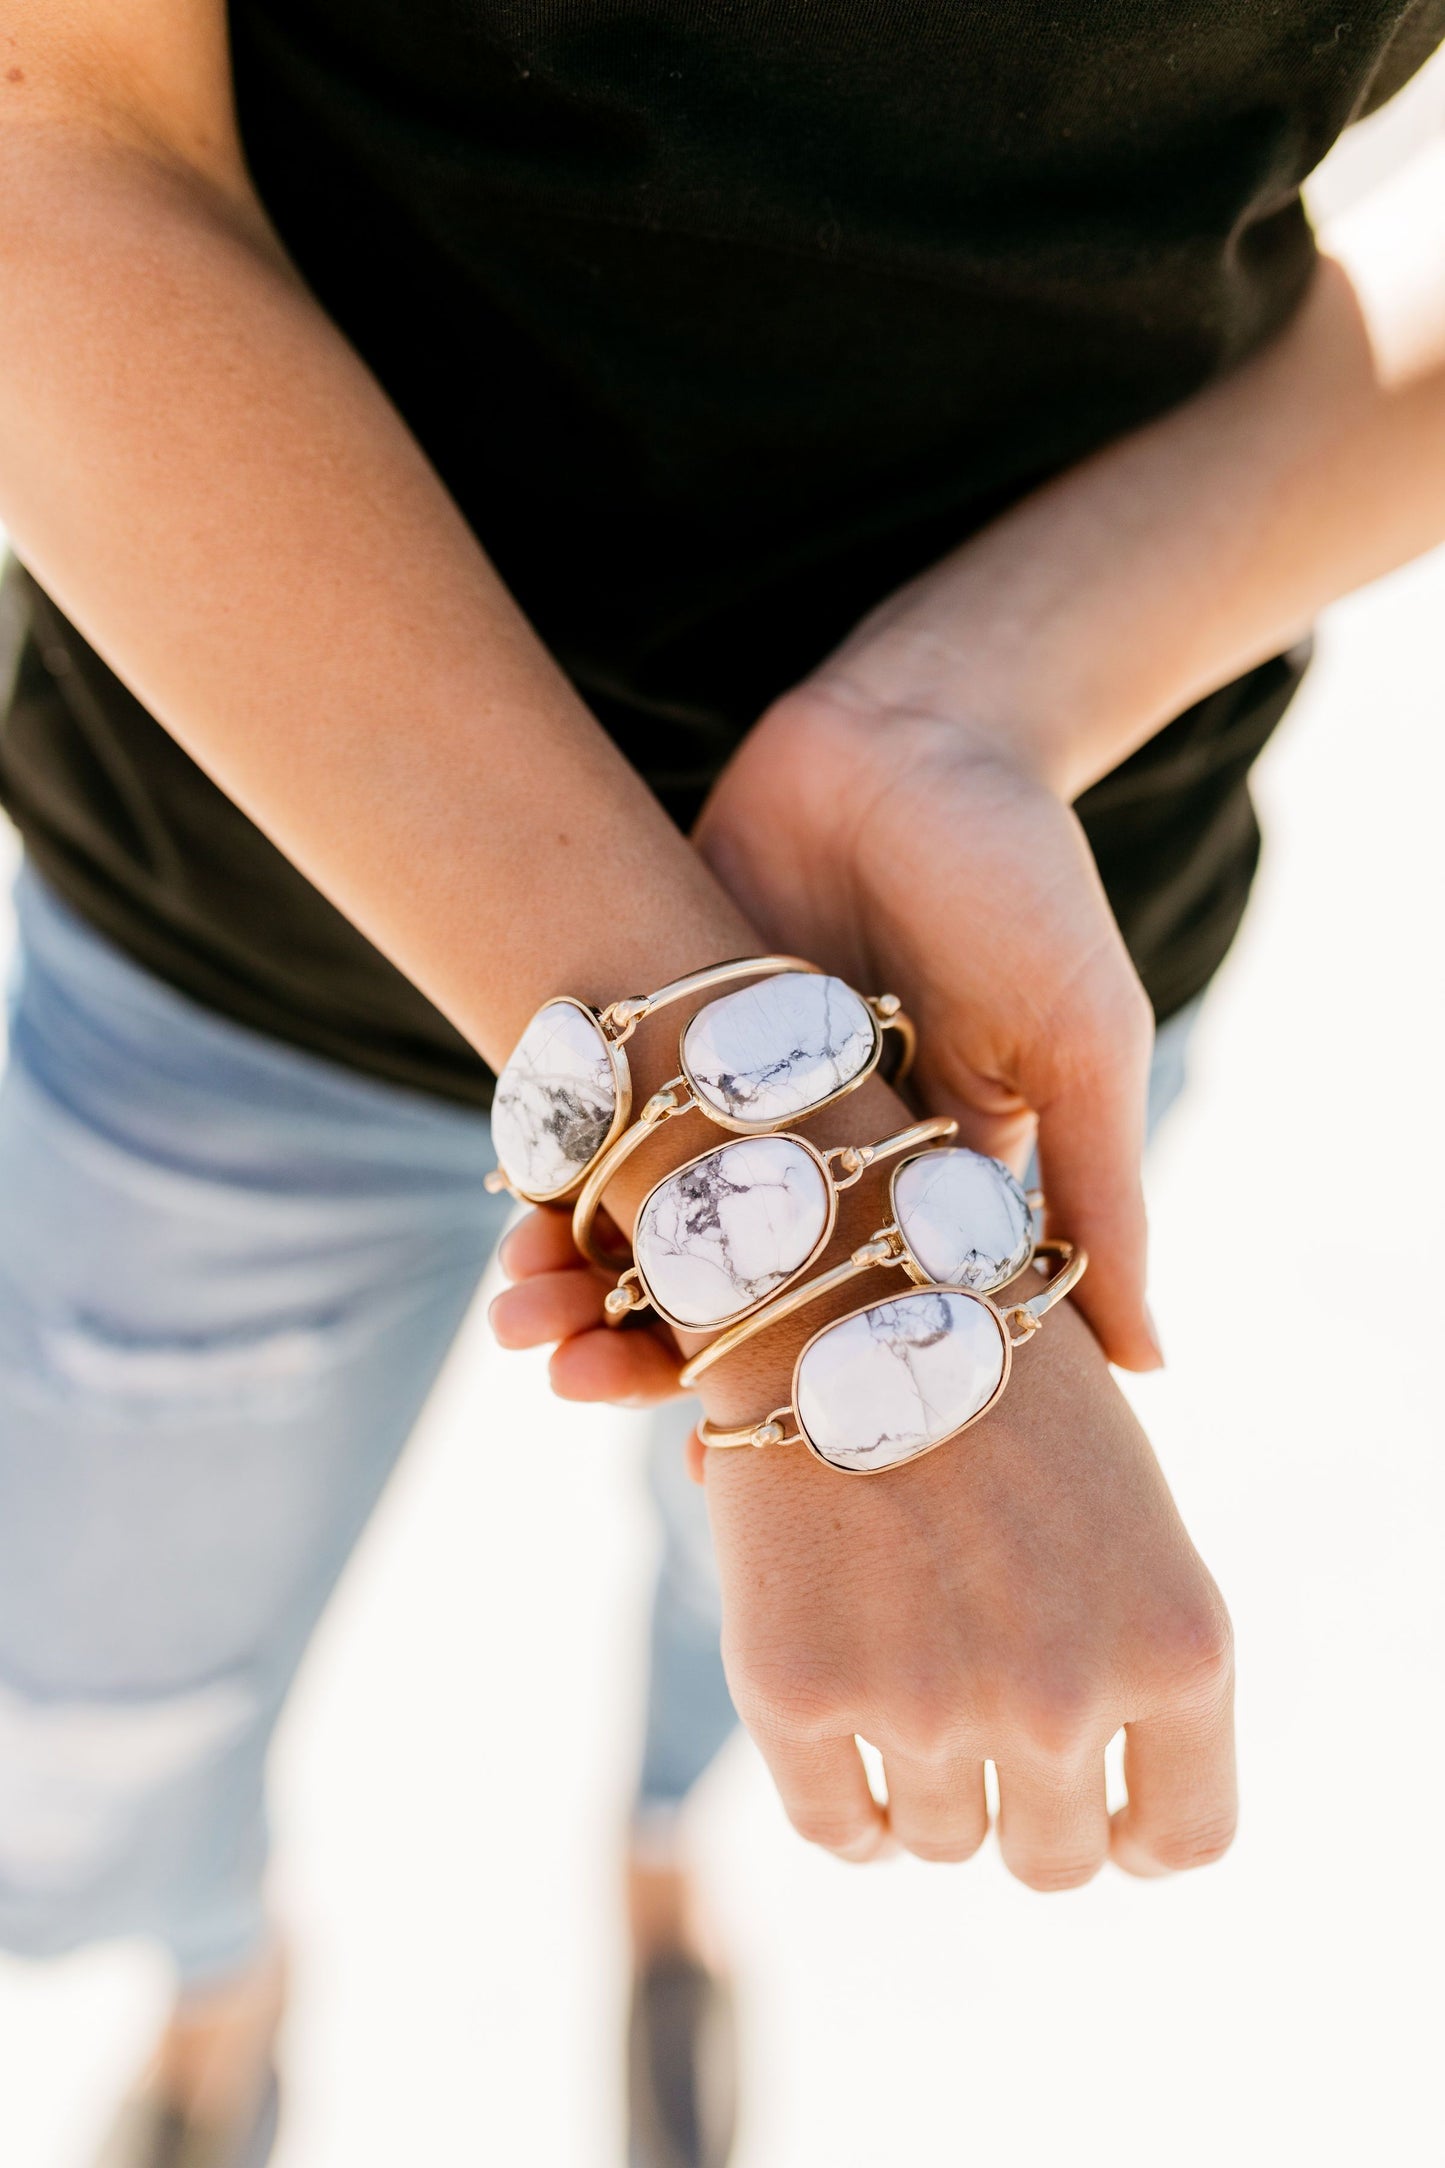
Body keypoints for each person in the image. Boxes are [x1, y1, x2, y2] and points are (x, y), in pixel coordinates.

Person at [0, 3, 1442, 2163]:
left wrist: (977, 695)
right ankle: (216, 1955)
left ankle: (672, 1864)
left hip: (1000, 951)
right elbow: (60, 160)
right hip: (247, 927)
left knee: (802, 1623)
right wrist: (820, 1237)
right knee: (85, 1727)